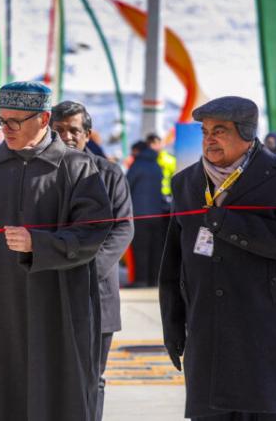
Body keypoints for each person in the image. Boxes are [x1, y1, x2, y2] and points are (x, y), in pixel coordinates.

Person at [0, 81, 113, 420]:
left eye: (15, 121)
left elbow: (94, 232)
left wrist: (41, 244)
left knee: (57, 398)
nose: (6, 129)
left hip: (58, 308)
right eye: (1, 120)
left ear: (44, 118)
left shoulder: (77, 166)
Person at [159, 96, 276, 421]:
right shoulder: (186, 183)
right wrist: (173, 324)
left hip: (264, 336)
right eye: (205, 132)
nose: (209, 139)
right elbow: (174, 262)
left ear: (246, 133)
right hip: (207, 333)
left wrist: (230, 224)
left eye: (220, 130)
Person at [51, 100, 134, 421]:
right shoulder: (37, 173)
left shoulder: (109, 173)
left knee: (91, 378)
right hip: (47, 290)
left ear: (87, 134)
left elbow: (122, 229)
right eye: (59, 130)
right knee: (51, 377)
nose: (67, 136)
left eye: (74, 130)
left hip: (96, 295)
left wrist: (85, 271)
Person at [126, 140, 169, 287]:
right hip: (157, 214)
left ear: (137, 151)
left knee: (141, 248)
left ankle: (141, 280)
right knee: (156, 248)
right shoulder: (157, 165)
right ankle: (154, 280)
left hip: (140, 215)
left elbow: (126, 186)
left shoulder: (137, 165)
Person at [147, 133, 177, 199]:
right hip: (149, 196)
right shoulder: (144, 160)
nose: (151, 146)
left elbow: (177, 178)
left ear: (160, 144)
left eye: (154, 143)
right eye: (149, 144)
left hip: (166, 196)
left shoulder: (169, 160)